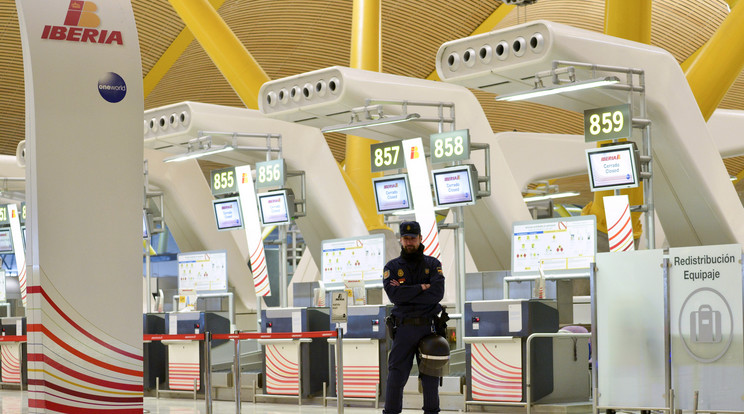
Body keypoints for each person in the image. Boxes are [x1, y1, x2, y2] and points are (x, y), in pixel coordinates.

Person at [383, 220, 445, 414]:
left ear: (420, 238)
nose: (409, 242)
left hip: (429, 329)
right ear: (401, 240)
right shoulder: (392, 267)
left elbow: (437, 293)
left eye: (413, 238)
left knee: (430, 378)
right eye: (406, 238)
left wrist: (406, 291)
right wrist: (421, 287)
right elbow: (395, 296)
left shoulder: (433, 264)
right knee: (396, 376)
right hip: (404, 329)